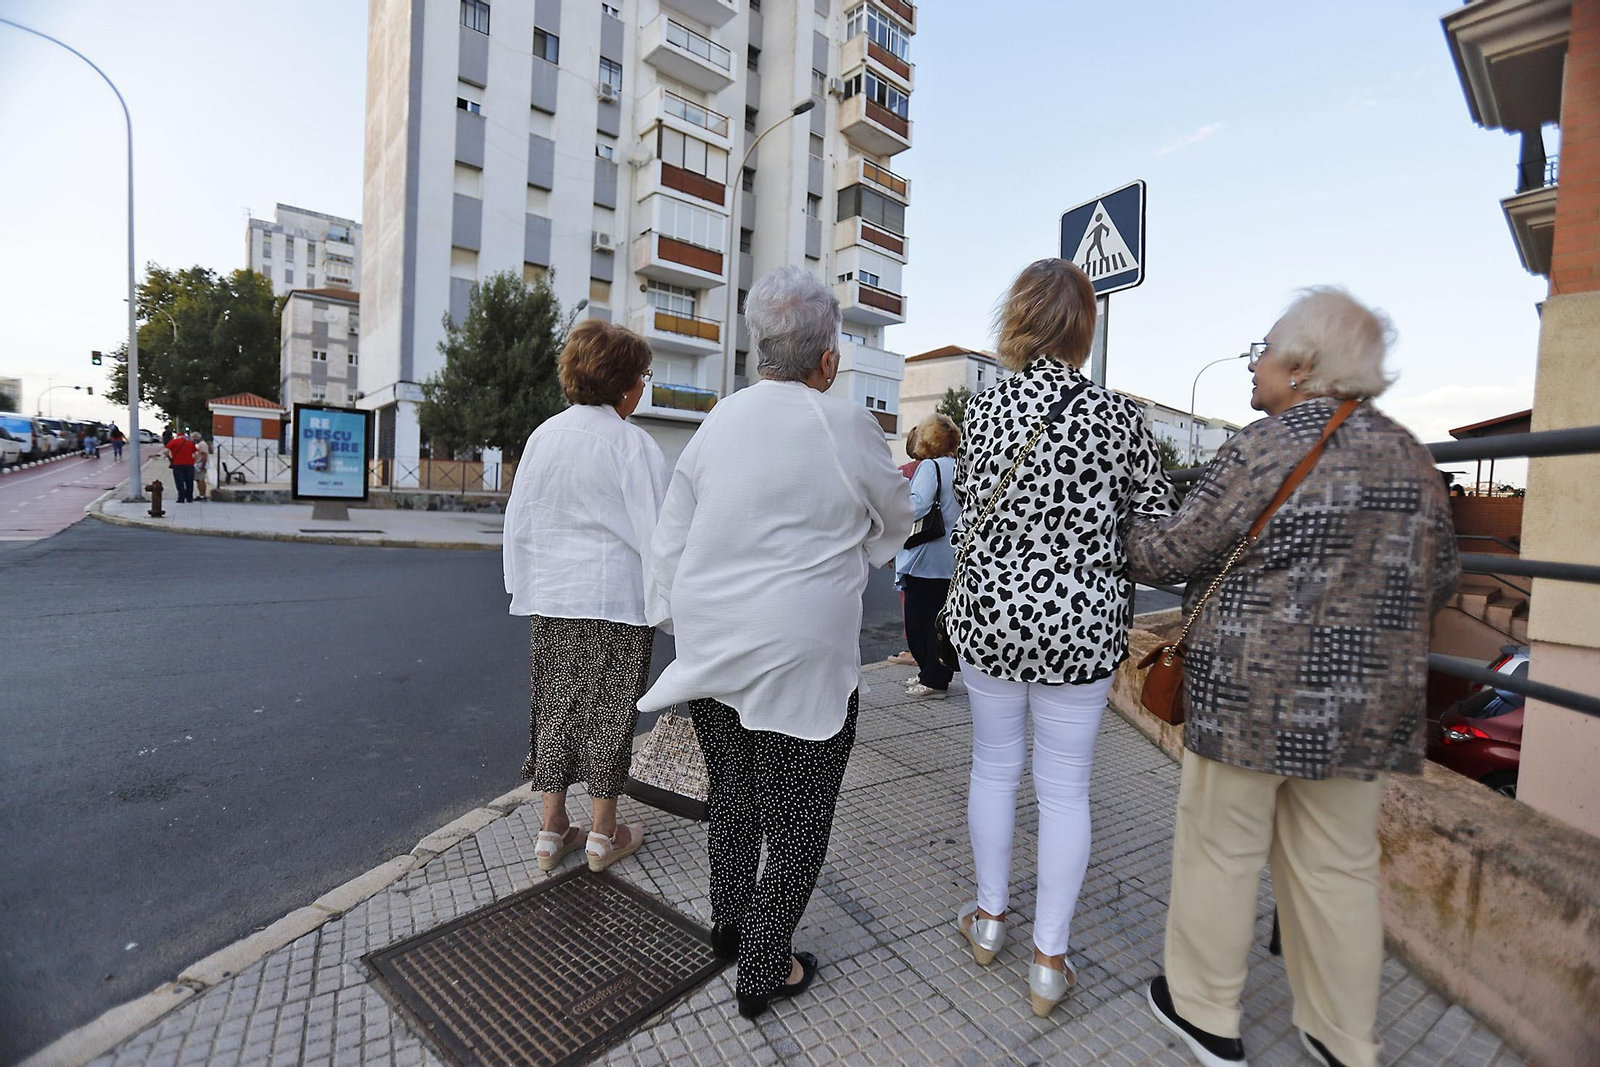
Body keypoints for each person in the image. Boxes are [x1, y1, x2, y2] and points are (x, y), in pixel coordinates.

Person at [1128, 288, 1460, 1067]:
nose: (1255, 361)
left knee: (1221, 848)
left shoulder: (1266, 444)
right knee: (1339, 866)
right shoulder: (1412, 455)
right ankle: (1343, 1037)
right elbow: (1440, 579)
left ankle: (1206, 1012)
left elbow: (1172, 552)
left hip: (1252, 694)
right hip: (1368, 704)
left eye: (1264, 349)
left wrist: (1131, 528)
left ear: (1304, 367)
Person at [639, 266, 913, 1020]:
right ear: (827, 359)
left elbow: (670, 542)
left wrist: (679, 627)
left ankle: (730, 926)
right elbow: (894, 517)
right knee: (798, 815)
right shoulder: (846, 424)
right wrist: (863, 548)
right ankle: (764, 964)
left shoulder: (716, 423)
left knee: (731, 791)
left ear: (759, 349)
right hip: (802, 661)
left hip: (712, 650)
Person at [944, 258, 1175, 1017]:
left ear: (1017, 320)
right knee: (1065, 787)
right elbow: (1156, 526)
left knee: (993, 768)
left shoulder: (985, 412)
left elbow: (973, 509)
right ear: (1083, 327)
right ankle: (1048, 960)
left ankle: (988, 919)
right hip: (1079, 626)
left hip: (991, 619)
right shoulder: (1120, 418)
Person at [502, 319, 667, 876]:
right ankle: (602, 834)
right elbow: (657, 534)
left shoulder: (543, 436)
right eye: (642, 375)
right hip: (616, 600)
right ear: (622, 382)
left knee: (553, 710)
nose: (643, 386)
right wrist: (671, 604)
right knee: (610, 713)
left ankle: (551, 830)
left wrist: (522, 582)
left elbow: (519, 518)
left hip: (553, 596)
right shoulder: (632, 444)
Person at [897, 413, 960, 698]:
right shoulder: (960, 466)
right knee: (941, 620)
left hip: (926, 556)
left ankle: (933, 680)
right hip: (952, 557)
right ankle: (933, 674)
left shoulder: (929, 467)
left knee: (918, 618)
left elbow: (918, 505)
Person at [887, 426, 923, 668]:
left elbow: (892, 510)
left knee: (908, 599)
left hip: (909, 544)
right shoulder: (949, 469)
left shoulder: (903, 473)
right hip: (940, 547)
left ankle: (915, 649)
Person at [165, 430, 197, 503]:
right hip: (189, 464)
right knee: (189, 481)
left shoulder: (173, 442)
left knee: (179, 481)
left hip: (177, 464)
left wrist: (170, 459)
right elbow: (196, 453)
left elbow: (166, 451)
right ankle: (189, 497)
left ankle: (181, 497)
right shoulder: (190, 443)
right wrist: (194, 461)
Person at [190, 431, 211, 500]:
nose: (192, 440)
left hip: (200, 464)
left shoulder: (202, 445)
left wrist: (202, 465)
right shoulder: (200, 444)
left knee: (200, 479)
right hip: (198, 464)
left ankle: (202, 495)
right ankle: (201, 494)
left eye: (193, 438)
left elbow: (204, 455)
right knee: (198, 480)